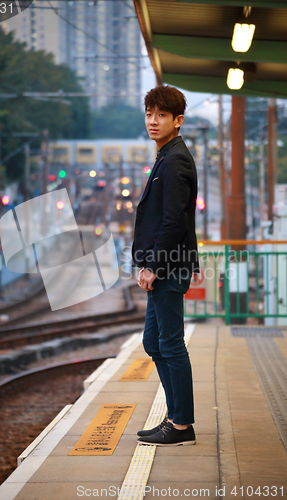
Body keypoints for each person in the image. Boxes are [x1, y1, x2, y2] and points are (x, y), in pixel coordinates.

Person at [132, 85, 199, 446]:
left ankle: (181, 425)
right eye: (149, 114)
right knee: (153, 342)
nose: (153, 121)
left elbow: (172, 221)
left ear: (178, 120)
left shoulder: (175, 160)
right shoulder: (166, 155)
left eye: (161, 115)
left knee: (170, 345)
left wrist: (153, 266)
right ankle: (176, 418)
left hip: (169, 268)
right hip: (164, 267)